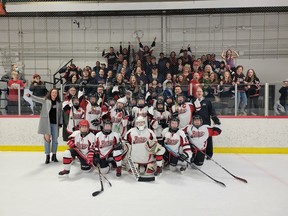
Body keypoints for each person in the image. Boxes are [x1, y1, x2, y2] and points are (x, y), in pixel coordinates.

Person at [26, 88, 62, 164]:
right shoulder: (45, 100)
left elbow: (60, 114)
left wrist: (60, 123)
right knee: (47, 140)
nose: (54, 94)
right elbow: (37, 99)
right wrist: (30, 96)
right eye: (53, 92)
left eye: (56, 93)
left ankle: (54, 155)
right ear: (50, 93)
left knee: (55, 141)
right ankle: (47, 156)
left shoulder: (59, 103)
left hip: (55, 124)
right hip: (46, 123)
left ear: (57, 94)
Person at [192, 87, 221, 159]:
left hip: (206, 123)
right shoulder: (193, 102)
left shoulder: (207, 101)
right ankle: (198, 153)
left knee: (208, 138)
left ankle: (209, 154)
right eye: (197, 91)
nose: (199, 93)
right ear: (196, 93)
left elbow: (212, 111)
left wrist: (216, 120)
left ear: (202, 93)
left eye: (200, 91)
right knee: (197, 138)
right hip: (196, 124)